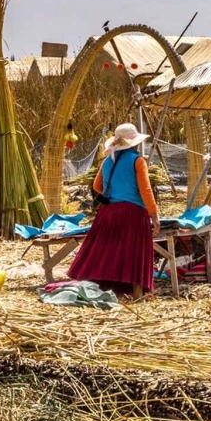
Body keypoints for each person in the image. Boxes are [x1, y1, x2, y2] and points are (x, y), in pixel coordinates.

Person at [66, 123, 159, 298]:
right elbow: (146, 190)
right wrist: (154, 216)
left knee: (106, 251)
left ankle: (98, 287)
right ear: (134, 143)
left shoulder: (108, 161)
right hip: (133, 213)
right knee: (133, 251)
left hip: (108, 212)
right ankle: (137, 293)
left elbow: (97, 186)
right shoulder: (138, 161)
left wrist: (115, 193)